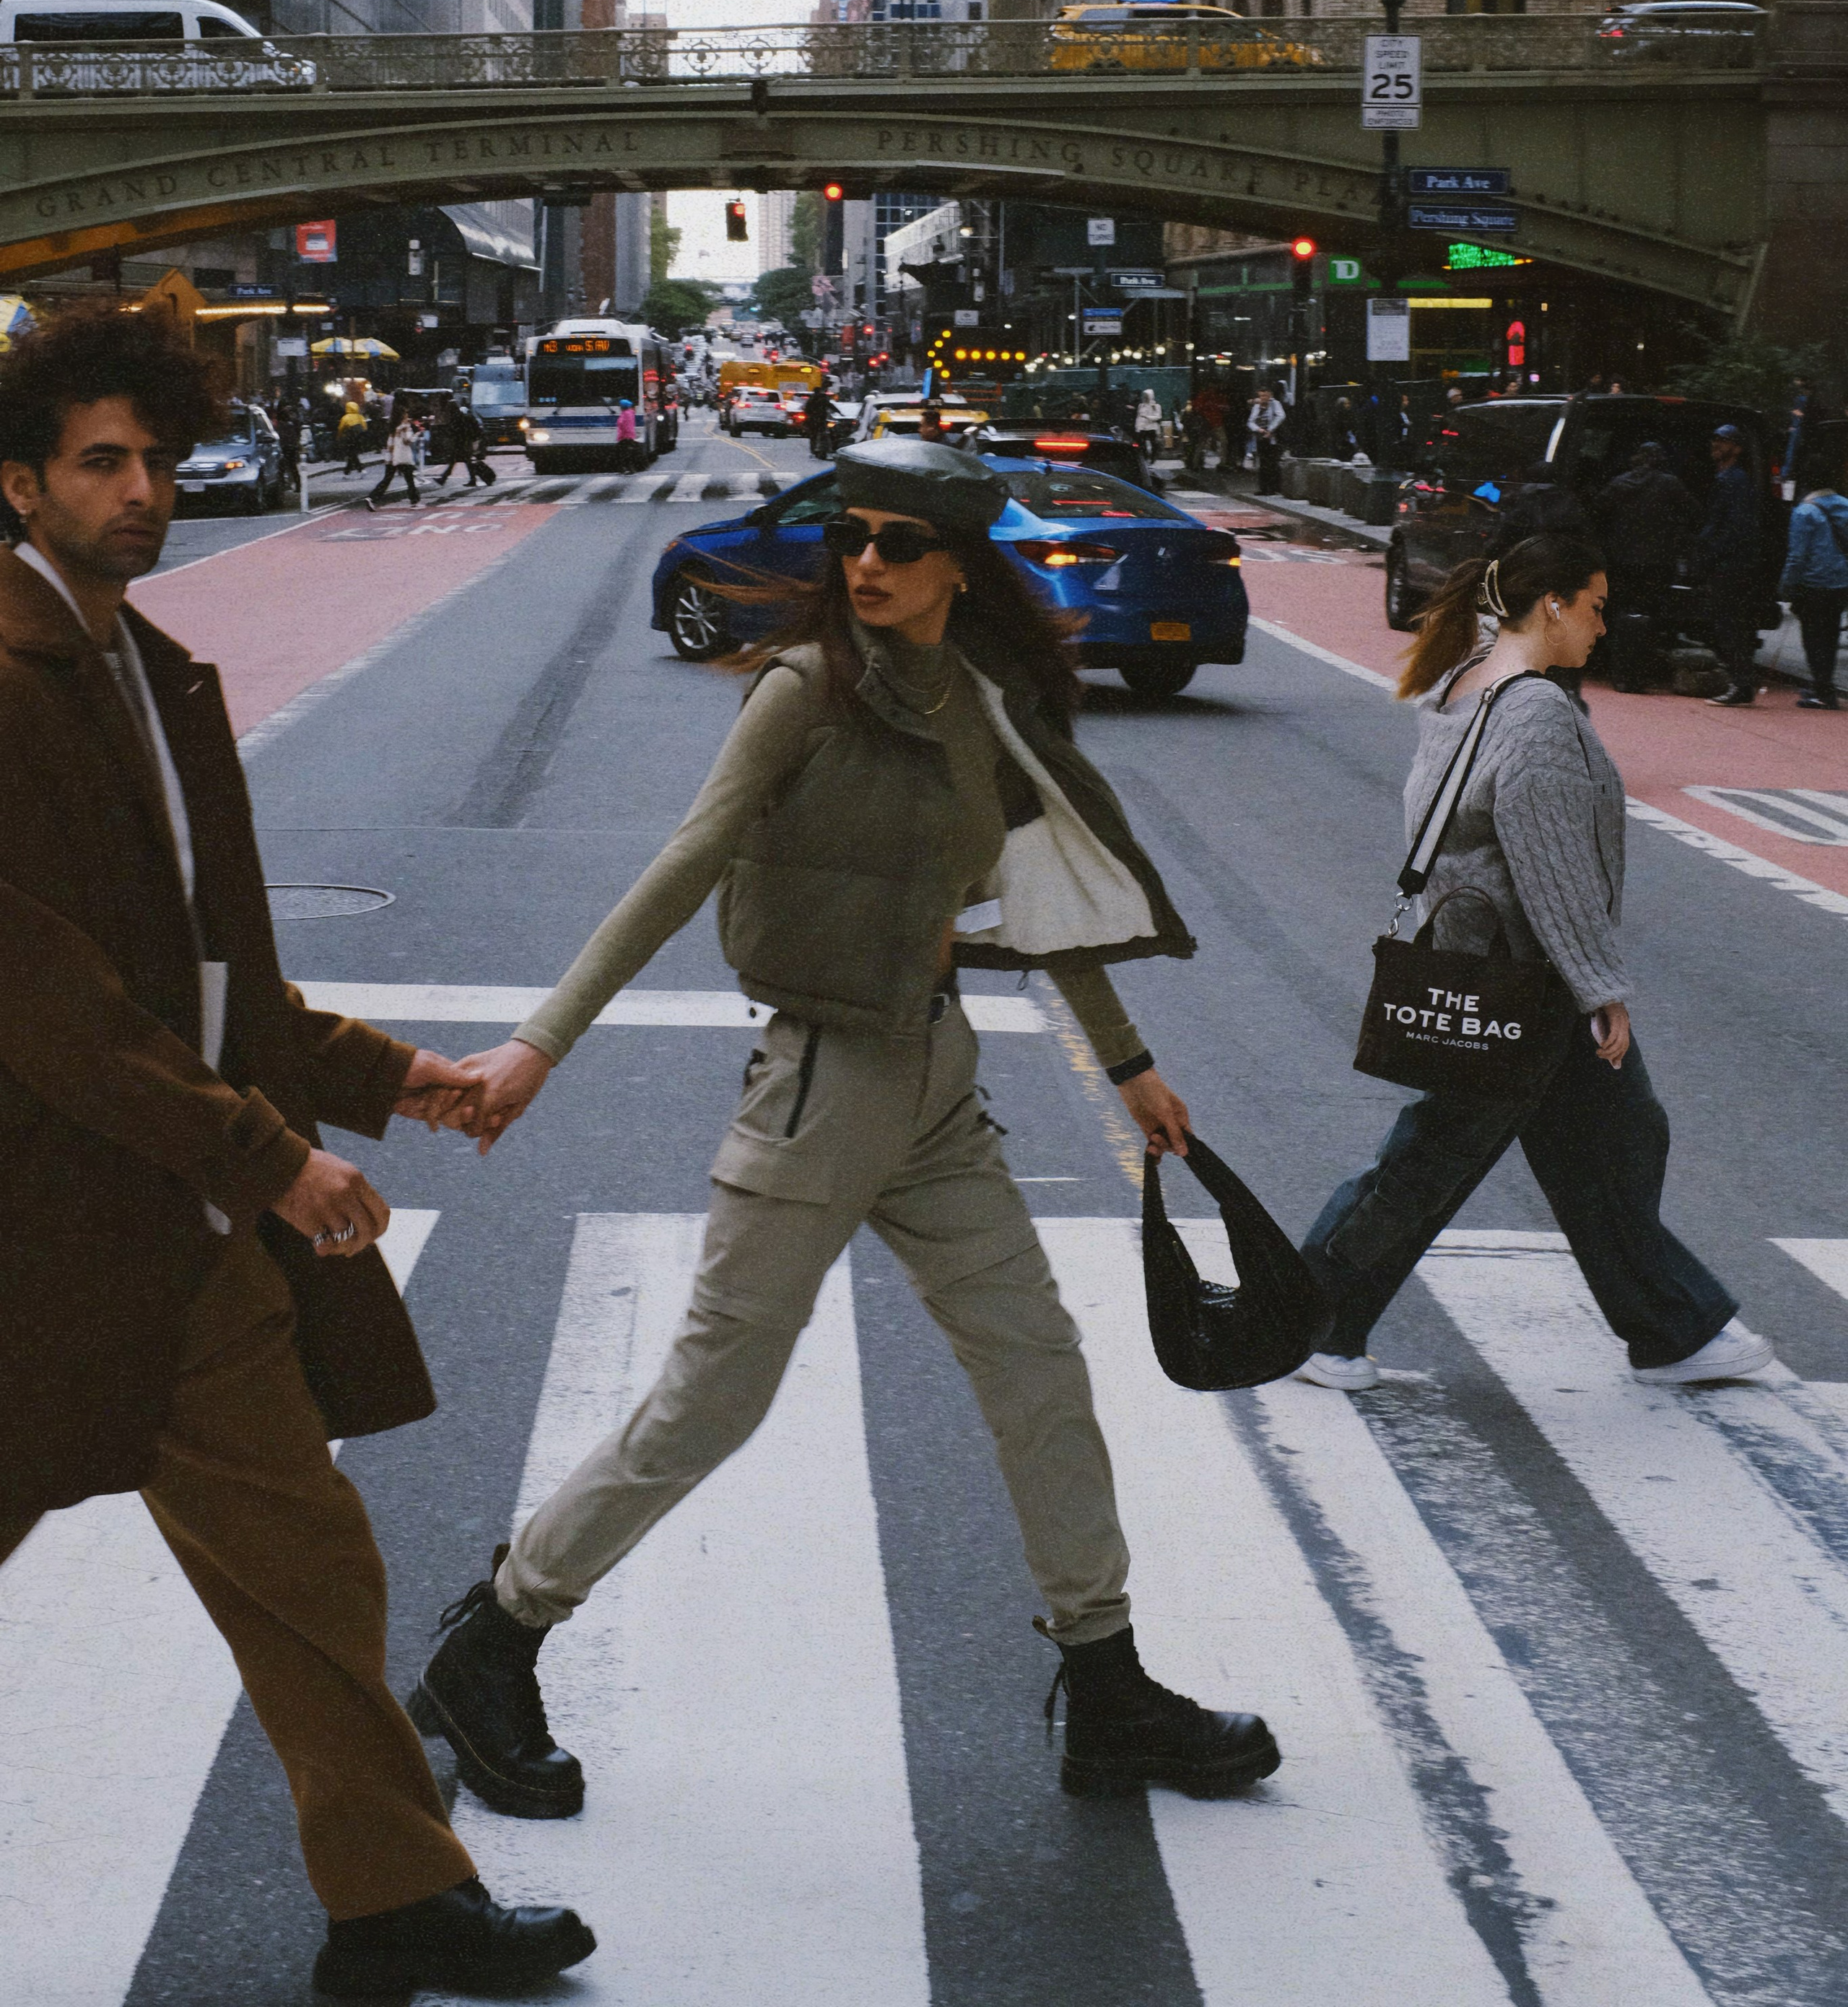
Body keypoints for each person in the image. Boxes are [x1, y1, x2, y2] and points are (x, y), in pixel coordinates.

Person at [417, 438, 1281, 1816]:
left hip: (935, 1083)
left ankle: (1107, 1683)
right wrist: (541, 1043)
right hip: (821, 1080)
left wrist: (1128, 1065)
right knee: (715, 1398)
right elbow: (684, 860)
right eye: (852, 540)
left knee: (1040, 1372)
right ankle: (500, 1638)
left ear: (955, 566)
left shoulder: (980, 705)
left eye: (896, 543)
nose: (865, 563)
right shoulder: (805, 691)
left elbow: (1041, 887)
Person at [0, 311, 593, 2000]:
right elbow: (47, 1002)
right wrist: (273, 1159)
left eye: (159, 458)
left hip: (169, 1237)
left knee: (308, 1554)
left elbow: (208, 980)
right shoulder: (6, 683)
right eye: (101, 461)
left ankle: (393, 1895)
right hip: (40, 1227)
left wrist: (389, 1075)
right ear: (17, 478)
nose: (142, 491)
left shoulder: (144, 665)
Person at [1296, 531, 1769, 1397]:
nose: (1602, 623)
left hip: (1487, 967)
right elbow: (1549, 871)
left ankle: (1672, 1328)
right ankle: (1312, 1318)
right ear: (1550, 603)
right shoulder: (1538, 715)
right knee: (1431, 1160)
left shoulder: (1464, 684)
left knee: (1617, 1140)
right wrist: (1600, 989)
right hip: (1523, 985)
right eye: (1593, 605)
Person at [1595, 441, 1701, 691]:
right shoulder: (1670, 485)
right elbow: (1694, 512)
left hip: (1621, 561)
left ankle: (1620, 672)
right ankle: (1641, 672)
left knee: (1620, 614)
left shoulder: (1619, 483)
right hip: (1658, 562)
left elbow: (1598, 509)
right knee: (1650, 616)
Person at [1693, 425, 1762, 706]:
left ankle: (1742, 684)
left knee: (1729, 624)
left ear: (1738, 448)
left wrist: (1710, 554)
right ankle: (1741, 681)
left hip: (1730, 564)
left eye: (1724, 440)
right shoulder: (1727, 478)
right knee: (1727, 624)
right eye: (1716, 439)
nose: (1716, 444)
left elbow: (1735, 527)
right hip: (1727, 561)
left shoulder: (1735, 481)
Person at [1780, 473, 1848, 710]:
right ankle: (1824, 685)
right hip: (1841, 583)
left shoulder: (1804, 512)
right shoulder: (1845, 506)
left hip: (1814, 584)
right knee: (1830, 636)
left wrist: (1787, 586)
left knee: (1813, 639)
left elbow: (1797, 556)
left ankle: (1823, 691)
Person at [367, 403, 420, 512]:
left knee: (387, 479)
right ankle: (414, 501)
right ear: (402, 415)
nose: (407, 415)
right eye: (406, 413)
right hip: (402, 457)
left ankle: (372, 498)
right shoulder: (405, 426)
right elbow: (408, 441)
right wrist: (418, 434)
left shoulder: (392, 425)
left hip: (391, 456)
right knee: (410, 479)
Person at [1247, 382, 1287, 492]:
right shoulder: (1257, 406)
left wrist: (1270, 429)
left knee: (1272, 462)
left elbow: (1281, 416)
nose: (1262, 398)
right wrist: (1258, 429)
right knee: (1263, 462)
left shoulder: (1275, 404)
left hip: (1273, 437)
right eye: (1260, 396)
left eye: (1264, 396)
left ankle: (1273, 487)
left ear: (1270, 395)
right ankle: (1264, 488)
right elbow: (1250, 421)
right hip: (1261, 437)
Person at [336, 392, 370, 476]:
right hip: (359, 438)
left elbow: (341, 428)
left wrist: (339, 436)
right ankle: (348, 472)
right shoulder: (360, 417)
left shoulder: (345, 418)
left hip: (349, 438)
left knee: (351, 453)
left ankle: (360, 469)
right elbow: (365, 427)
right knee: (353, 453)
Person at [1134, 383, 1164, 464]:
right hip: (1143, 428)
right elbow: (1138, 417)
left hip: (1152, 428)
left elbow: (1158, 417)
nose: (1144, 398)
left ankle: (1153, 458)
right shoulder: (1141, 406)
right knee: (1141, 444)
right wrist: (1137, 427)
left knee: (1153, 444)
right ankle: (1144, 457)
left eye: (1146, 396)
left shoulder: (1156, 406)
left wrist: (1147, 417)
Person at [804, 376, 833, 459]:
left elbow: (807, 410)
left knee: (813, 436)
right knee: (823, 435)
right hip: (821, 420)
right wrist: (839, 412)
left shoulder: (812, 399)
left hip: (814, 420)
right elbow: (830, 406)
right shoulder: (822, 398)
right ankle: (822, 449)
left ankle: (814, 450)